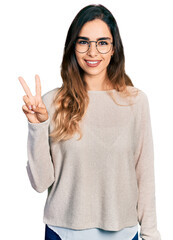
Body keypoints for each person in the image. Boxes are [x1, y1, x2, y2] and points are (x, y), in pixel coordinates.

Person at [18, 4, 161, 240]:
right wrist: (37, 126)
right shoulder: (52, 102)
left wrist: (151, 235)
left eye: (102, 43)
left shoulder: (136, 102)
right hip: (63, 232)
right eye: (83, 42)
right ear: (73, 47)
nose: (92, 52)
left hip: (123, 233)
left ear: (114, 49)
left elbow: (144, 176)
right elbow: (40, 183)